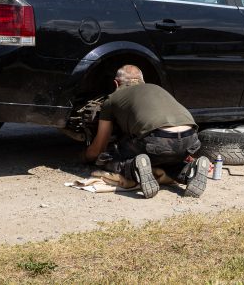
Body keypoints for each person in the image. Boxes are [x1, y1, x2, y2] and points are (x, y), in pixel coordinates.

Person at [82, 64, 210, 198]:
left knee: (109, 156)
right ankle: (191, 170)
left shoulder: (112, 98)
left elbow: (99, 146)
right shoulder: (158, 88)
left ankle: (135, 166)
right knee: (167, 161)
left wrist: (84, 156)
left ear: (116, 83)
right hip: (190, 139)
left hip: (157, 140)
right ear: (143, 80)